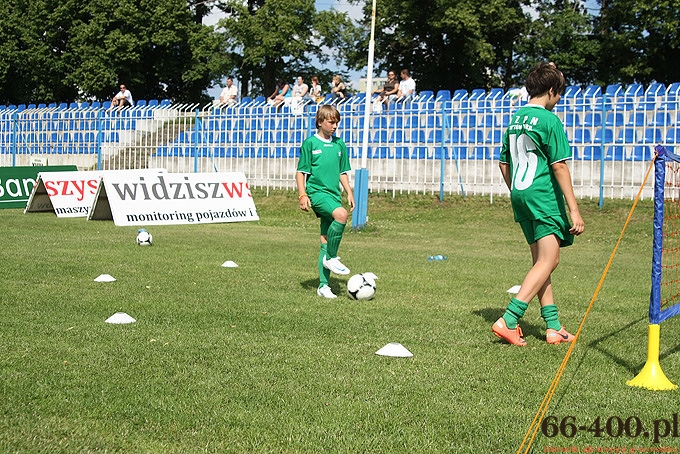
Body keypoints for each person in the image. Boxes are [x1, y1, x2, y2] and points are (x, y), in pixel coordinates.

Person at [492, 62, 585, 346]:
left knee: (541, 263)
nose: (559, 101)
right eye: (559, 95)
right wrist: (574, 209)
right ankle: (509, 319)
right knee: (550, 260)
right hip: (543, 196)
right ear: (552, 91)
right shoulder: (549, 120)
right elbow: (559, 167)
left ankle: (554, 326)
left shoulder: (516, 118)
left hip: (520, 194)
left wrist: (519, 190)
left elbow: (503, 162)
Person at [296, 104, 355, 299]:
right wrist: (303, 195)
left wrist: (349, 192)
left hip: (333, 194)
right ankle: (331, 257)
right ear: (320, 121)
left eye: (337, 122)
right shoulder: (310, 143)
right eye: (331, 122)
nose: (334, 126)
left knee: (325, 239)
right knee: (341, 214)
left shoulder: (339, 144)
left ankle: (323, 286)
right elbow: (301, 172)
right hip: (317, 193)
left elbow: (342, 171)